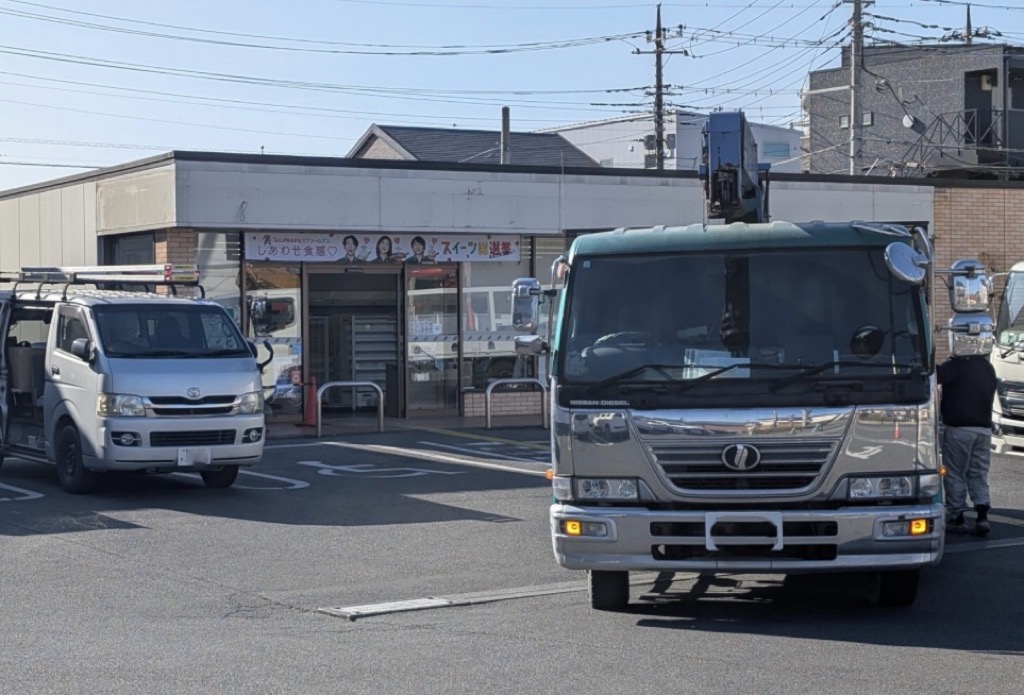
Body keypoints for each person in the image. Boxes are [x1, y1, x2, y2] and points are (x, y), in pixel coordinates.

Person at [938, 353, 998, 537]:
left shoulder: (955, 365)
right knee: (979, 472)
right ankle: (982, 516)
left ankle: (957, 518)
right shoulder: (987, 367)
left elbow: (933, 377)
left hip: (958, 428)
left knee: (954, 472)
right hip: (983, 428)